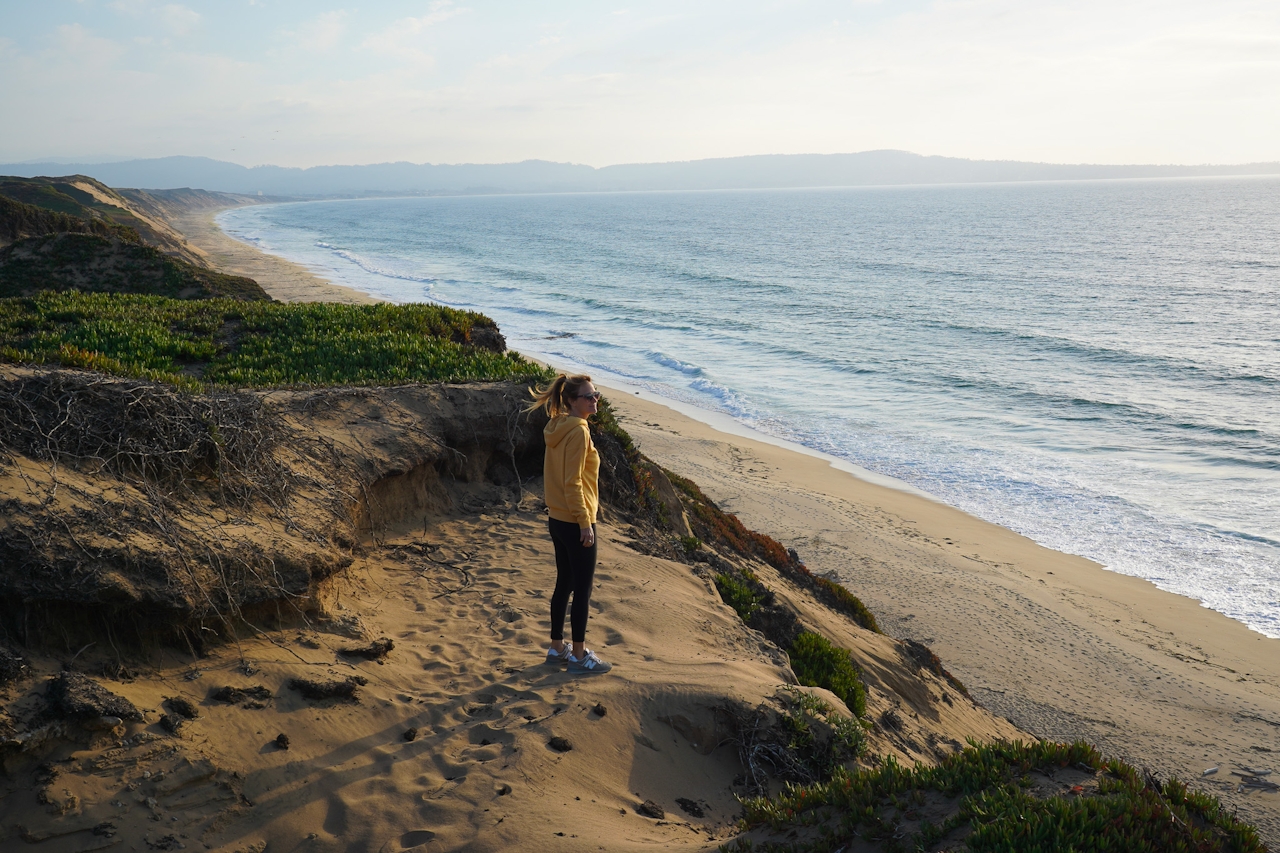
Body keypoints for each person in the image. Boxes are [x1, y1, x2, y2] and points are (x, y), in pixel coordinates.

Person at [525, 373, 612, 674]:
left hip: (557, 519)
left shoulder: (556, 425)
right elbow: (573, 482)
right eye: (589, 396)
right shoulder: (578, 431)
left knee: (564, 584)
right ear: (573, 402)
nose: (595, 399)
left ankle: (557, 647)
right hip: (575, 521)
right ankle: (578, 655)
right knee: (582, 590)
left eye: (596, 394)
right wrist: (585, 522)